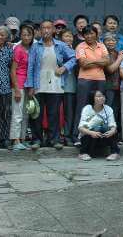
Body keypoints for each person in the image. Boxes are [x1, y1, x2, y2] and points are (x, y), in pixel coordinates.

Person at [24, 20, 77, 150]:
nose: (46, 30)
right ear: (40, 31)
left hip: (56, 83)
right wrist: (30, 86)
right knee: (37, 114)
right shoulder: (35, 47)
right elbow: (30, 67)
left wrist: (64, 68)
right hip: (38, 84)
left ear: (53, 30)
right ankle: (37, 140)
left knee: (54, 114)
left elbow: (74, 58)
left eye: (49, 28)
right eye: (43, 28)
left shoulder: (60, 45)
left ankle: (55, 139)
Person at [73, 26, 109, 147]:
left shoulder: (102, 45)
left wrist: (91, 61)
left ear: (96, 34)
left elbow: (107, 61)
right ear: (83, 36)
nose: (89, 36)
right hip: (85, 80)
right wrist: (99, 61)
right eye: (86, 34)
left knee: (98, 108)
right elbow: (83, 63)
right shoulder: (80, 46)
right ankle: (77, 136)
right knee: (82, 108)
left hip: (100, 80)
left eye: (91, 33)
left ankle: (97, 135)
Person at [77, 90, 119, 161]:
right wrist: (91, 132)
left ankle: (114, 153)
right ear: (92, 98)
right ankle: (83, 153)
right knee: (93, 128)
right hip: (90, 137)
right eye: (98, 96)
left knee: (110, 129)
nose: (102, 98)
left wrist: (112, 131)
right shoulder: (87, 108)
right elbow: (80, 127)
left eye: (103, 96)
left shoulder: (108, 109)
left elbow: (113, 124)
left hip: (103, 137)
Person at [10, 24, 34, 150]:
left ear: (32, 36)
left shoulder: (33, 49)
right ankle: (15, 140)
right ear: (20, 36)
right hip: (18, 84)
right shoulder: (18, 49)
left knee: (26, 114)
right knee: (17, 113)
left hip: (28, 85)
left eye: (29, 34)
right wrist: (17, 89)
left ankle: (23, 139)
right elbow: (13, 71)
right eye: (24, 34)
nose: (26, 37)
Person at [0, 26, 14, 149]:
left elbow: (12, 67)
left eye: (3, 35)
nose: (0, 37)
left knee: (4, 114)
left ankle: (3, 139)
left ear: (6, 38)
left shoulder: (9, 49)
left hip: (4, 87)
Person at [57, 29, 78, 144]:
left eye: (70, 36)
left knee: (69, 112)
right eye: (66, 36)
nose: (69, 38)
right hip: (57, 85)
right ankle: (57, 135)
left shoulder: (75, 51)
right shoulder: (57, 50)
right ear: (60, 38)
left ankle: (67, 135)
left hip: (70, 86)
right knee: (56, 112)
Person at [101, 32, 123, 139]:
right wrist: (119, 59)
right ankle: (106, 135)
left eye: (113, 40)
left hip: (118, 87)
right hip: (107, 87)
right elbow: (110, 69)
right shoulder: (103, 53)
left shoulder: (118, 52)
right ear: (103, 42)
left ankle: (114, 136)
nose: (111, 42)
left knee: (116, 111)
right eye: (108, 40)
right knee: (107, 112)